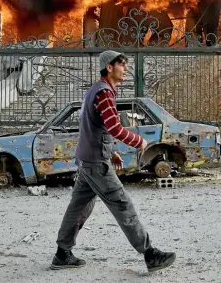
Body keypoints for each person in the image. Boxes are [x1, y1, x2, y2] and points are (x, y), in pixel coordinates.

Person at [51, 50, 176, 273]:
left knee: (79, 206)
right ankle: (149, 254)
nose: (125, 68)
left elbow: (95, 127)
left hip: (89, 159)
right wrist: (139, 142)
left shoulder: (97, 91)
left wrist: (112, 151)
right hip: (96, 163)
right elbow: (114, 128)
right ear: (109, 67)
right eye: (121, 64)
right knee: (122, 204)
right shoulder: (104, 93)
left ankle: (62, 253)